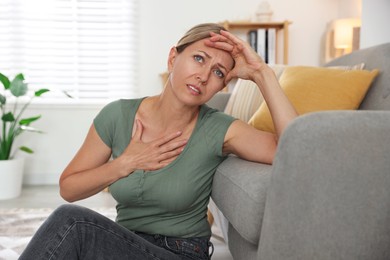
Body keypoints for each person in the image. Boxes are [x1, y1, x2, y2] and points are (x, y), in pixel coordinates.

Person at [19, 23, 297, 260]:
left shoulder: (219, 128)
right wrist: (126, 163)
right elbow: (69, 188)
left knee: (73, 223)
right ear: (172, 58)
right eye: (199, 58)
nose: (203, 76)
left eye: (218, 73)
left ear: (222, 87)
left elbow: (294, 149)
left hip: (181, 252)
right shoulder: (117, 115)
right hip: (123, 244)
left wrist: (263, 74)